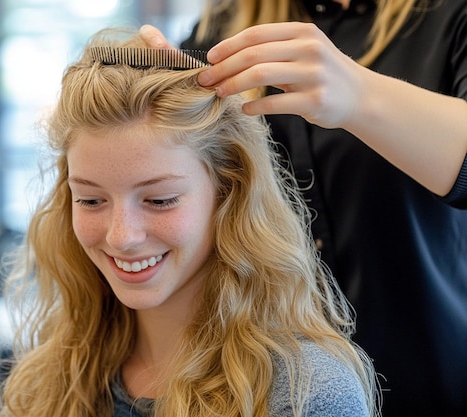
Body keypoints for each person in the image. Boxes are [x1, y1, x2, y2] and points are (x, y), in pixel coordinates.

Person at [0, 28, 378, 417]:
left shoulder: (304, 393)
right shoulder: (50, 376)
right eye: (92, 200)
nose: (122, 236)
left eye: (160, 200)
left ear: (229, 193)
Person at [139, 0, 467, 416]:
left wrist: (361, 97)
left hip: (428, 379)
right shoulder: (223, 27)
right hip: (272, 390)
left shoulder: (448, 16)